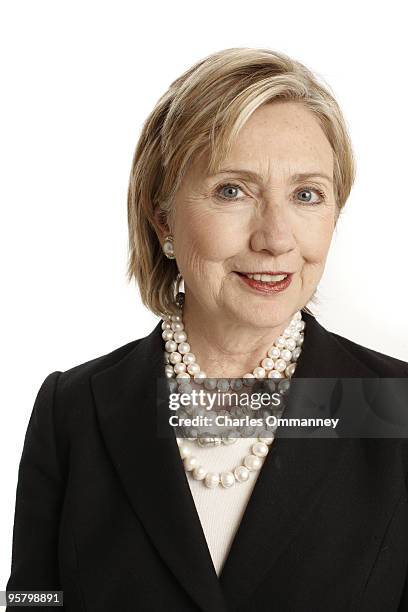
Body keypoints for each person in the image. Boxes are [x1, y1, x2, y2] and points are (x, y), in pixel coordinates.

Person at [6, 47, 408, 611]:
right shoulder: (74, 410)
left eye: (306, 195)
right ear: (161, 215)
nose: (275, 238)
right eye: (232, 190)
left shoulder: (395, 408)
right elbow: (33, 600)